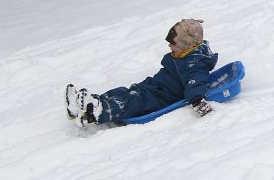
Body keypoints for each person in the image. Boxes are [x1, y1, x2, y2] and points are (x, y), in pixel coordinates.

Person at [65, 19, 217, 126]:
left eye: (173, 44)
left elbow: (196, 83)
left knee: (133, 101)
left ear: (185, 46)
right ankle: (88, 103)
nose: (170, 46)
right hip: (155, 86)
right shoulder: (184, 54)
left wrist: (197, 101)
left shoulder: (195, 64)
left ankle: (94, 112)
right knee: (126, 92)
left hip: (161, 98)